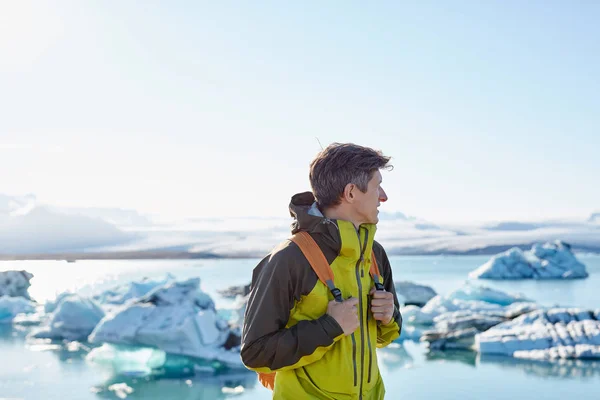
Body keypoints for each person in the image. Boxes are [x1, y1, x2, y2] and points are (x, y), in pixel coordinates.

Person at [241, 142, 403, 399]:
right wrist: (329, 327)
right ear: (351, 192)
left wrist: (388, 317)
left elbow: (384, 338)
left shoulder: (374, 253)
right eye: (377, 185)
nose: (383, 196)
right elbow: (255, 352)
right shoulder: (289, 258)